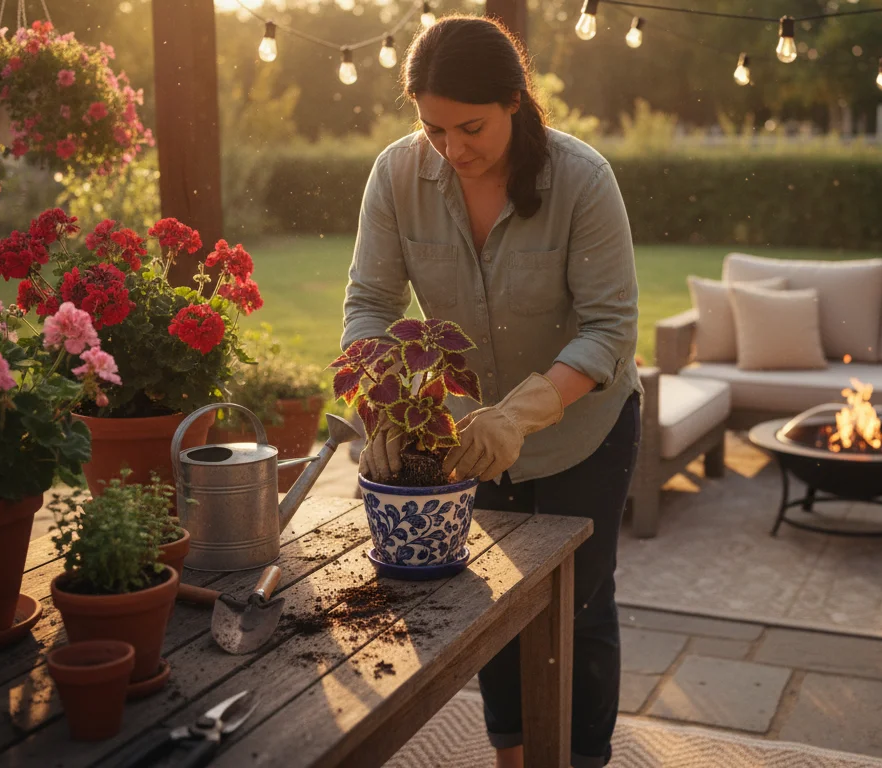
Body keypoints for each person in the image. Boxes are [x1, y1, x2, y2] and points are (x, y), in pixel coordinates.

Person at [339, 14, 641, 768]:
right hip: (462, 433)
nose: (451, 149)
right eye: (433, 128)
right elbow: (370, 306)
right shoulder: (397, 175)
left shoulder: (582, 179)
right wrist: (383, 399)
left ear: (514, 101)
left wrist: (523, 413)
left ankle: (580, 759)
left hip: (584, 429)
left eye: (469, 127)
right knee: (495, 607)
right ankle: (512, 756)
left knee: (577, 605)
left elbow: (609, 328)